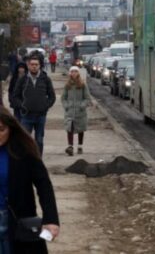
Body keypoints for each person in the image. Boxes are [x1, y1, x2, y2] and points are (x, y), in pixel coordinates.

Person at [0, 107, 60, 253]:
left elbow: (43, 184)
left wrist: (51, 219)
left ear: (11, 129)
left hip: (14, 220)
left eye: (1, 129)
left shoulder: (23, 151)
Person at [13, 53, 56, 155]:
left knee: (39, 140)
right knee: (25, 141)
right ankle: (26, 162)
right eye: (32, 64)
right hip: (26, 116)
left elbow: (52, 97)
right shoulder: (23, 79)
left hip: (40, 116)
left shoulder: (45, 79)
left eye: (36, 64)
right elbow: (15, 96)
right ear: (28, 65)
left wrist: (45, 106)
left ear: (39, 65)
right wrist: (22, 106)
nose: (34, 66)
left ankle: (38, 162)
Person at [61, 66, 90, 156]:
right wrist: (66, 106)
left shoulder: (82, 85)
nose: (74, 73)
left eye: (75, 71)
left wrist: (82, 105)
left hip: (80, 111)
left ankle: (80, 146)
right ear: (70, 73)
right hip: (69, 111)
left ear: (78, 73)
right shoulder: (67, 85)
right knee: (70, 128)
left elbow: (87, 98)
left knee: (80, 129)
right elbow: (63, 98)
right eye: (72, 71)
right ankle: (70, 146)